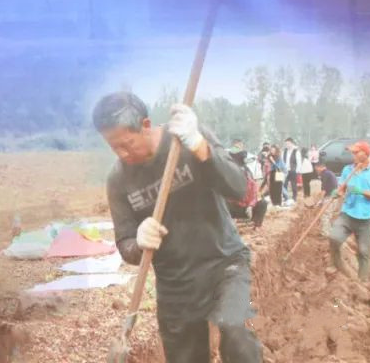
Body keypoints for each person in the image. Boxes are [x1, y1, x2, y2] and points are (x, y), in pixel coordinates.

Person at [94, 92, 262, 363]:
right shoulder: (118, 180)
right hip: (175, 284)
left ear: (146, 125)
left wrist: (200, 147)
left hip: (224, 264)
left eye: (127, 144)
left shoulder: (185, 140)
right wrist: (139, 242)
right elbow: (125, 244)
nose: (122, 154)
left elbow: (238, 188)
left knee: (236, 334)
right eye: (114, 148)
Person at [328, 141, 370, 281]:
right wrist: (337, 193)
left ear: (366, 154)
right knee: (334, 238)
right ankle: (338, 265)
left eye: (356, 152)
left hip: (365, 218)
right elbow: (341, 188)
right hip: (347, 214)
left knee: (364, 252)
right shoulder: (347, 170)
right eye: (352, 152)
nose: (352, 155)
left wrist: (361, 191)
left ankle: (362, 281)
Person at [282, 138, 301, 204]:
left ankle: (294, 197)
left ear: (292, 143)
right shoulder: (284, 151)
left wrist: (297, 171)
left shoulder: (296, 151)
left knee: (293, 185)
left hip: (293, 170)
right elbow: (282, 160)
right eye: (286, 144)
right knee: (284, 184)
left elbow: (298, 162)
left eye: (288, 143)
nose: (287, 145)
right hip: (285, 170)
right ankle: (285, 197)